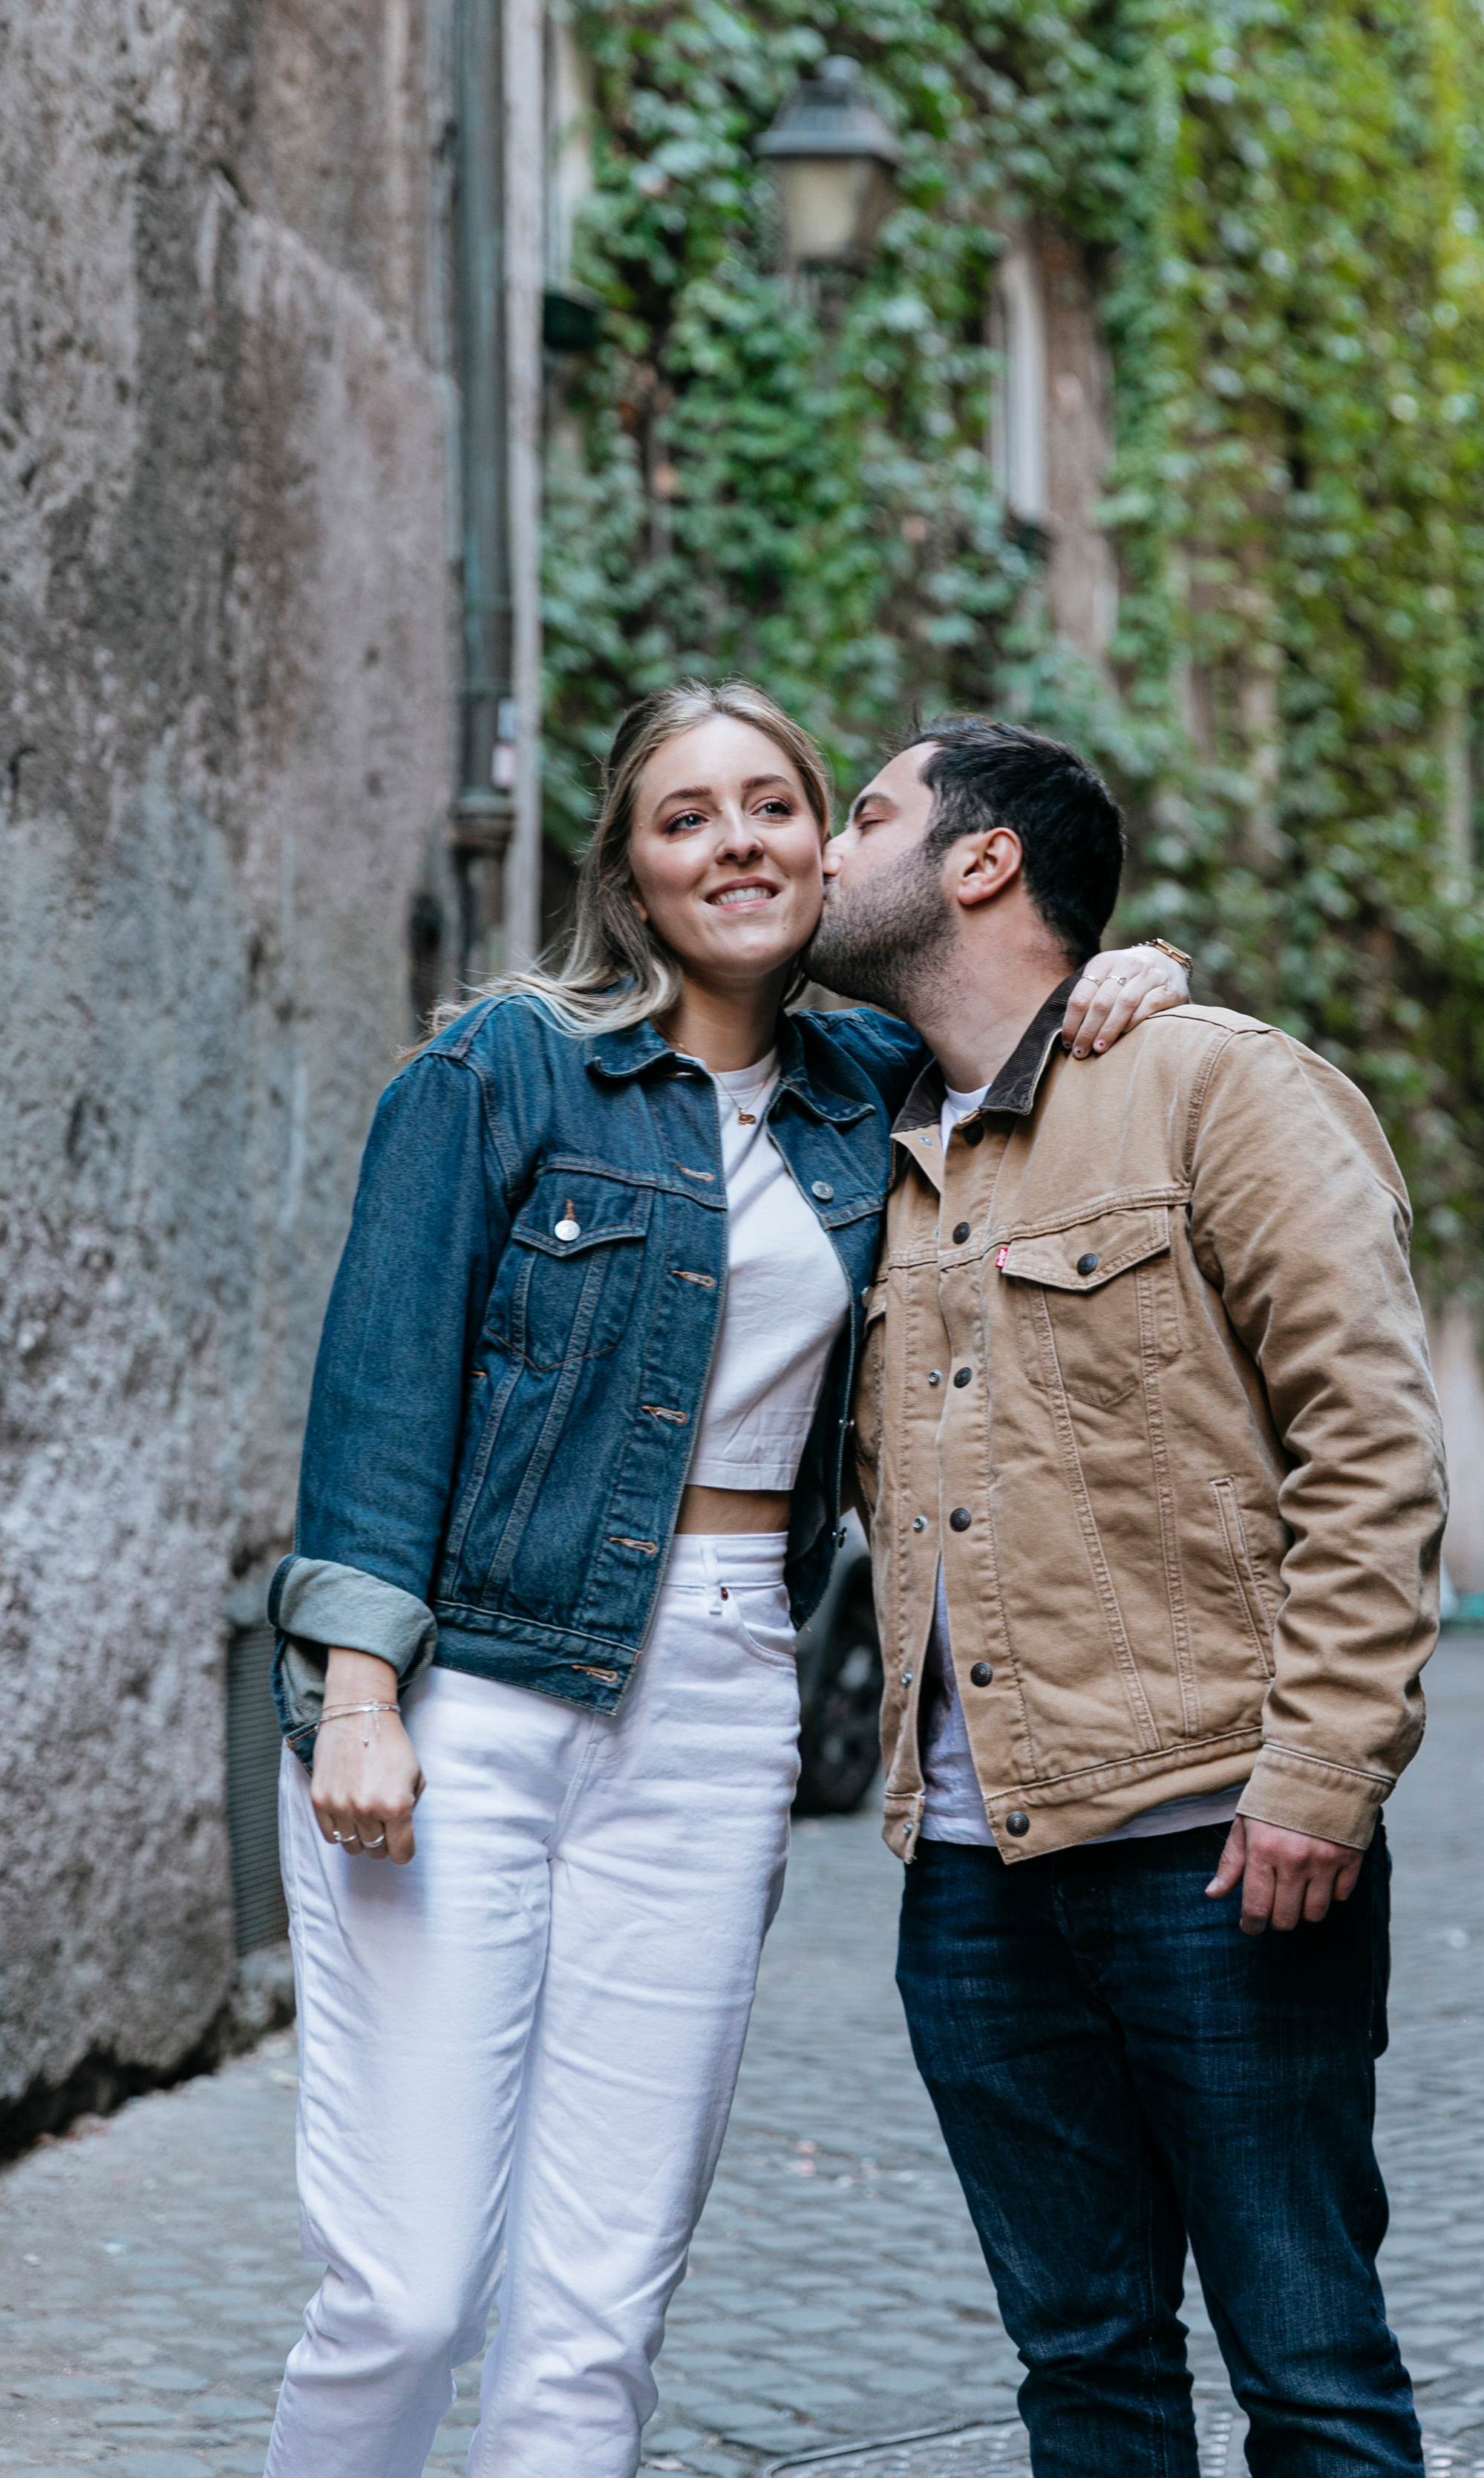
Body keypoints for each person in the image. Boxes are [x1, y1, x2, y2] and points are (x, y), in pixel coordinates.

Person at [261, 680, 1186, 2478]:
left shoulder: (873, 1093)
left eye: (775, 804)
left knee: (599, 2308)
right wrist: (358, 1697)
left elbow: (1033, 1025)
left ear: (825, 840)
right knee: (408, 2287)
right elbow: (379, 1390)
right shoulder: (501, 1069)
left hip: (717, 1706)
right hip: (471, 1695)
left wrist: (1128, 981)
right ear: (627, 861)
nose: (738, 842)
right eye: (685, 816)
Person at [808, 717, 1448, 2478]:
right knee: (1081, 2375)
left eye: (860, 817)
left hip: (1217, 1856)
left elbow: (1368, 1435)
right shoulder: (861, 1132)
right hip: (968, 1875)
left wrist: (1324, 1769)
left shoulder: (1213, 1086)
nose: (814, 853)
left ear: (981, 861)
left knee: (1308, 2366)